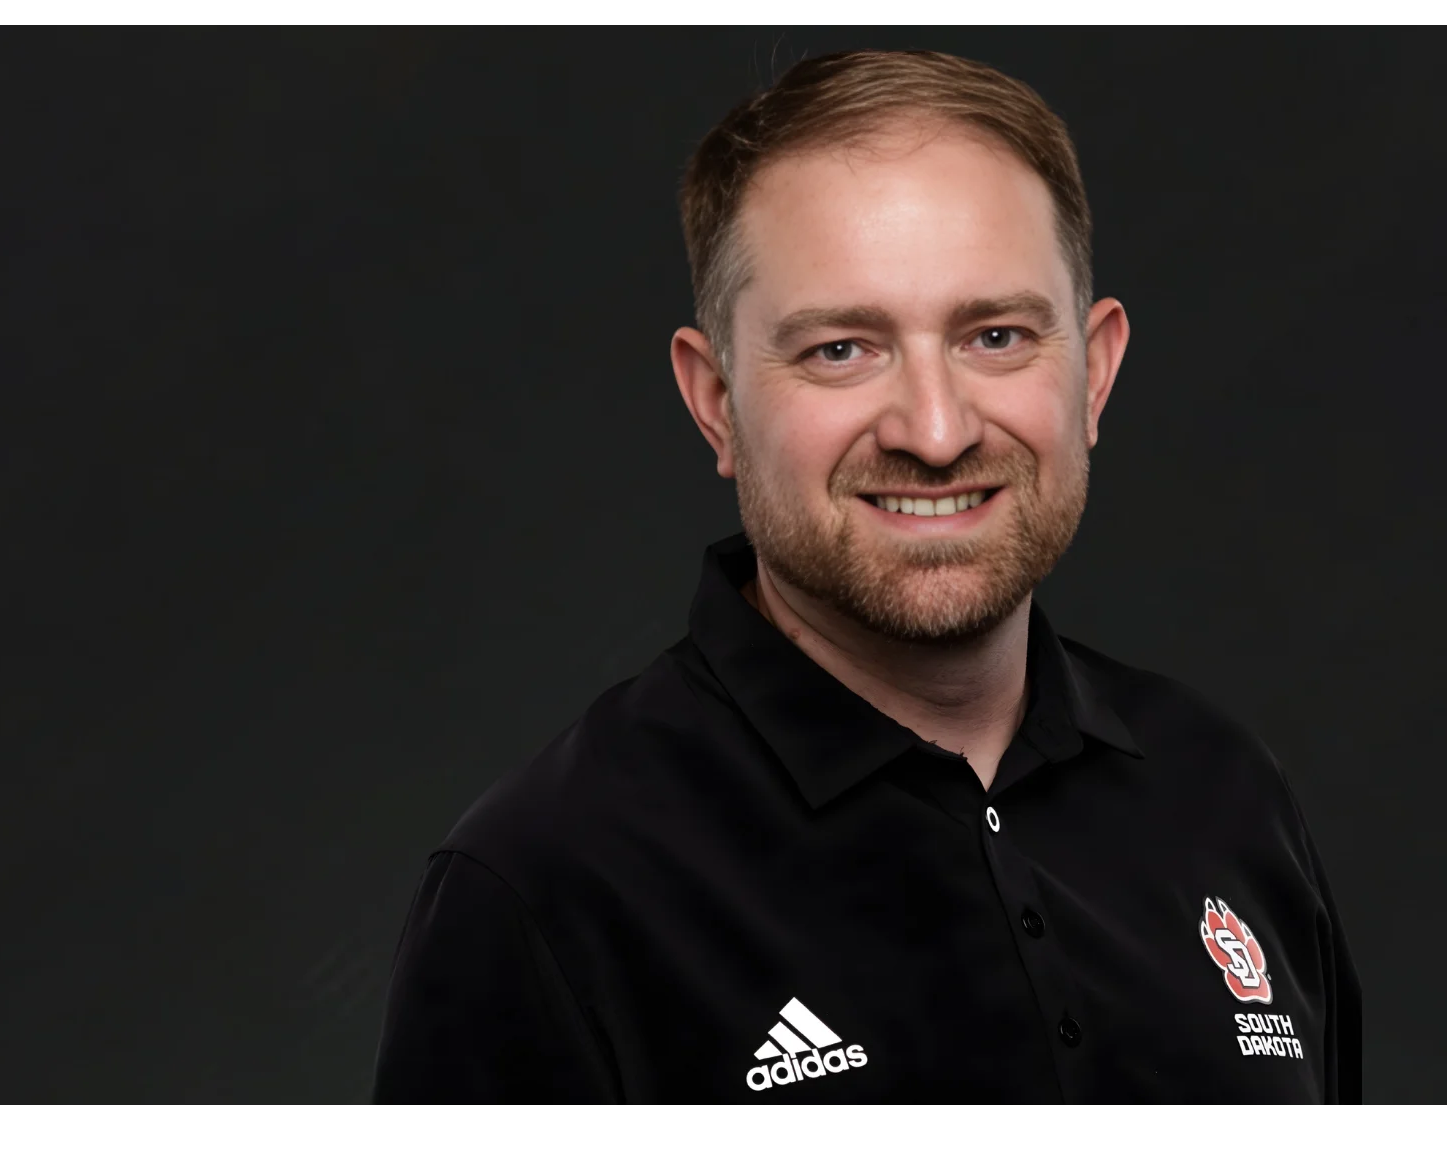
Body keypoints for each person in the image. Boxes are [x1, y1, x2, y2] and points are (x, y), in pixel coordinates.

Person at [370, 48, 1360, 1111]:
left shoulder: (1222, 798)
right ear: (714, 402)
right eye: (842, 350)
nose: (933, 432)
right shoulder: (550, 886)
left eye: (995, 336)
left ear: (1094, 372)